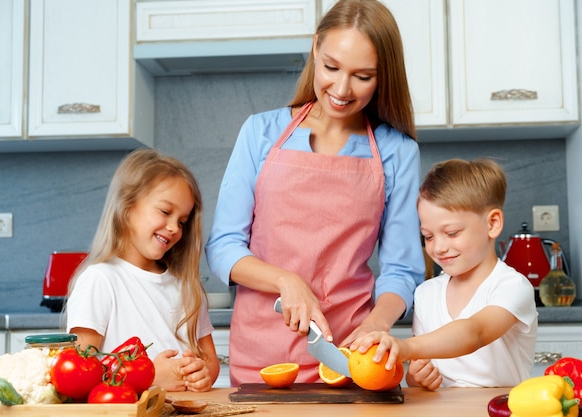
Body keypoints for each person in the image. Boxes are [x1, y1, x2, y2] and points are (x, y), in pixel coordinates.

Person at [205, 0, 424, 385]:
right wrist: (286, 281)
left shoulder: (397, 151)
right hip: (261, 356)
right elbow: (223, 247)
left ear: (382, 75)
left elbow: (402, 270)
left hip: (349, 357)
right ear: (315, 50)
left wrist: (376, 325)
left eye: (362, 76)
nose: (341, 89)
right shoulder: (260, 132)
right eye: (331, 67)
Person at [351, 158, 538, 390]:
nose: (438, 247)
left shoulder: (511, 286)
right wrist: (417, 377)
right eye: (428, 237)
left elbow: (474, 332)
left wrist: (406, 347)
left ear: (492, 223)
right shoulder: (426, 293)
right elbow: (415, 375)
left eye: (451, 233)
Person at [66, 149, 220, 392]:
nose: (174, 228)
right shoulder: (100, 280)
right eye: (165, 212)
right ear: (127, 207)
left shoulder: (187, 286)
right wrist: (148, 377)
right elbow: (78, 372)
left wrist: (202, 373)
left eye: (182, 221)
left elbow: (210, 363)